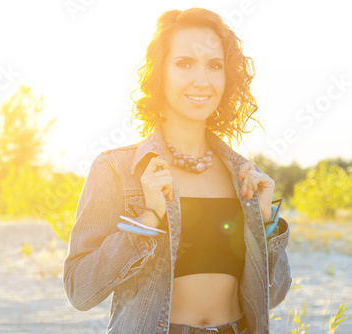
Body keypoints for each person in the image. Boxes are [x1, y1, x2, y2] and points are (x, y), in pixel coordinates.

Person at [63, 7, 292, 334]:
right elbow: (79, 291)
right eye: (185, 64)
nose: (202, 80)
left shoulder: (244, 175)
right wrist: (148, 220)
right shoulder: (117, 170)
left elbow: (273, 297)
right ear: (160, 73)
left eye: (214, 66)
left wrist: (266, 223)